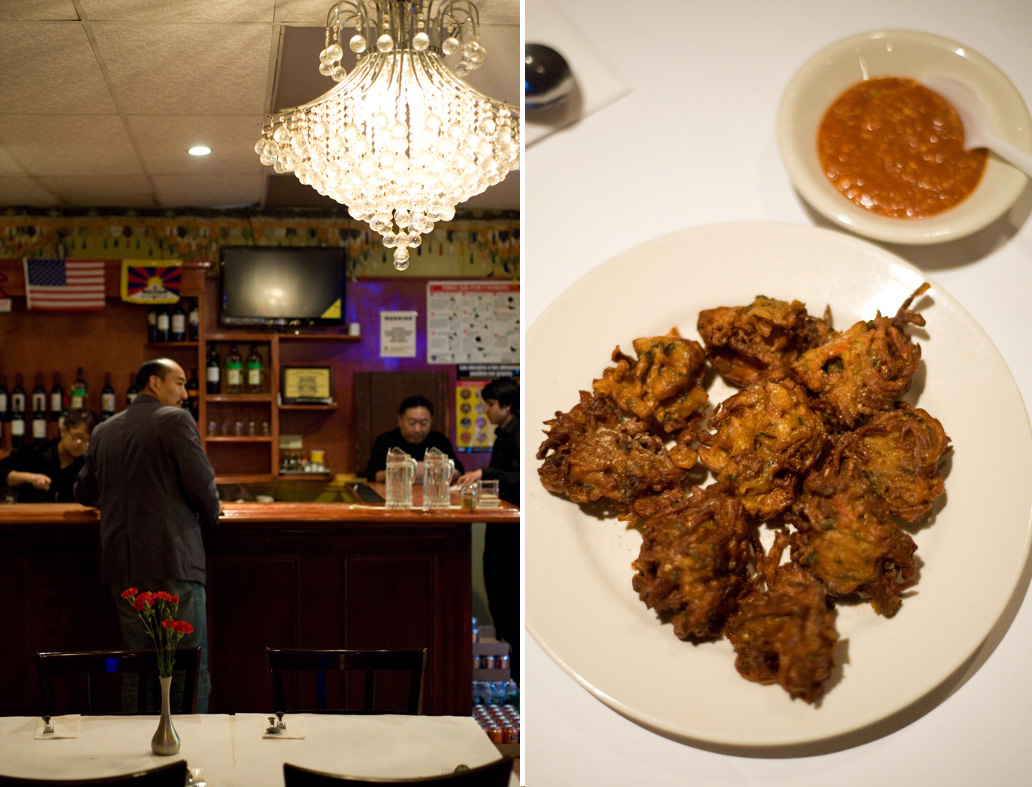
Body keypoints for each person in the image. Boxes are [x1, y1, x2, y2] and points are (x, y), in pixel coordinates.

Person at [74, 358, 221, 712]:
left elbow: (82, 492)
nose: (185, 394)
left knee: (136, 670)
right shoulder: (175, 420)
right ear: (154, 384)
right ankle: (192, 751)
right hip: (174, 561)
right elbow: (202, 486)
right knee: (190, 668)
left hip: (123, 567)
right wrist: (212, 520)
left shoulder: (104, 430)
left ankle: (135, 758)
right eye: (180, 383)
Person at [455, 378, 520, 682]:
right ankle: (515, 677)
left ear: (507, 405)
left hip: (513, 533)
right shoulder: (503, 434)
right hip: (500, 528)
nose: (486, 410)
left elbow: (521, 478)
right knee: (499, 601)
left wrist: (484, 473)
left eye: (490, 405)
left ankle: (519, 679)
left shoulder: (519, 434)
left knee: (509, 604)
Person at [0, 408, 95, 502]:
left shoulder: (87, 464)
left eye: (87, 441)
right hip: (31, 515)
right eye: (78, 437)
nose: (82, 445)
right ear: (63, 431)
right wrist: (30, 478)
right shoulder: (36, 452)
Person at [364, 395, 465, 482]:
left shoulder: (440, 441)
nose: (417, 429)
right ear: (400, 420)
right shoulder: (385, 441)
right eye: (412, 423)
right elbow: (372, 474)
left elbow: (458, 469)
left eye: (423, 423)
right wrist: (402, 471)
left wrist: (445, 471)